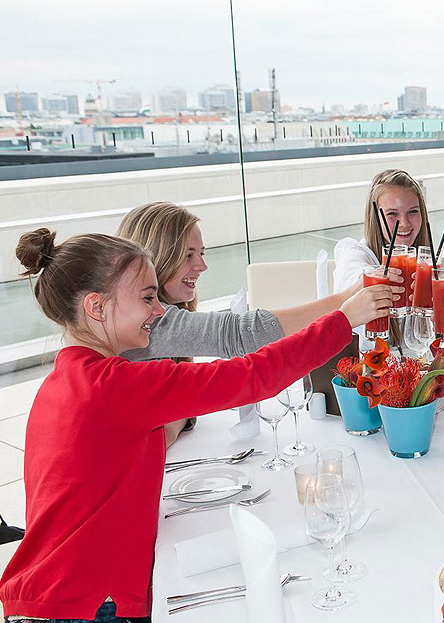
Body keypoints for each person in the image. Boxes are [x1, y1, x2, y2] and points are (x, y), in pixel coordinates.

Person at [0, 228, 391, 622]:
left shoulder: (64, 380)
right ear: (97, 308)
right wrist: (344, 320)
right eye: (148, 298)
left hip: (48, 596)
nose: (159, 311)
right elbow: (254, 376)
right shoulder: (113, 386)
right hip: (84, 604)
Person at [116, 202, 397, 445]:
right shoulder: (152, 322)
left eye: (202, 253)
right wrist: (345, 305)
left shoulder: (159, 318)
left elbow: (172, 418)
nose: (202, 266)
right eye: (188, 254)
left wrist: (177, 416)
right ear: (155, 258)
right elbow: (240, 336)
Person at [333, 168, 431, 293]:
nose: (404, 223)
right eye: (392, 213)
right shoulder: (355, 251)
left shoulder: (425, 260)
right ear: (375, 218)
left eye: (413, 211)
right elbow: (351, 276)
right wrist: (375, 277)